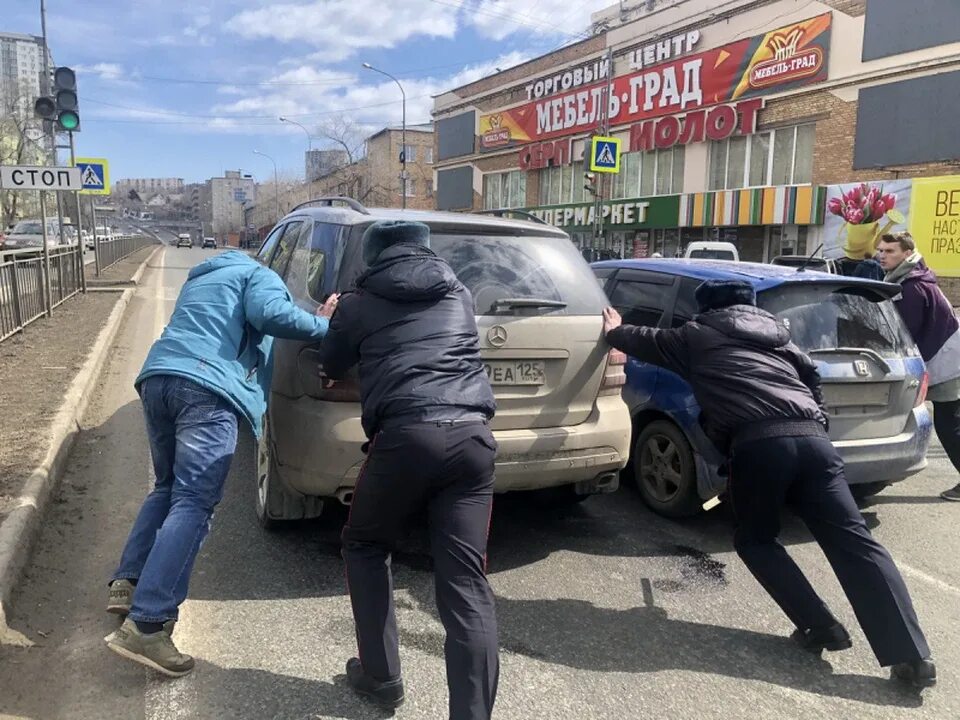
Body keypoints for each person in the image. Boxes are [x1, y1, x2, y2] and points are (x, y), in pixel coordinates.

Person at [601, 279, 936, 688]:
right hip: (816, 443)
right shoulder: (783, 342)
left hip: (759, 445)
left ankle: (820, 626)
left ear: (707, 310)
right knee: (856, 544)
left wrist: (615, 327)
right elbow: (813, 387)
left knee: (756, 540)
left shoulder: (696, 335)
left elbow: (643, 339)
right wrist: (815, 428)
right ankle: (913, 657)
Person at [106, 250, 338, 676]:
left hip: (158, 378)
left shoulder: (204, 278)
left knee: (167, 488)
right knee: (194, 503)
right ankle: (147, 623)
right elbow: (270, 315)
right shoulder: (259, 274)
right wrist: (325, 323)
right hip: (207, 390)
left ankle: (128, 581)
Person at [321, 221, 499, 719]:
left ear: (374, 258)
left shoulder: (357, 302)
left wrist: (331, 318)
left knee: (365, 543)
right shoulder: (458, 292)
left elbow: (333, 363)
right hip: (472, 438)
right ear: (426, 250)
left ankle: (381, 677)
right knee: (466, 580)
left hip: (405, 436)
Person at [878, 232, 960, 501]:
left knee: (949, 423)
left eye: (890, 251)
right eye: (881, 250)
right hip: (946, 355)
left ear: (906, 253)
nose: (882, 255)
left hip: (946, 359)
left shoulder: (912, 287)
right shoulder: (908, 278)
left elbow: (906, 334)